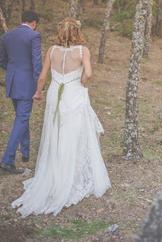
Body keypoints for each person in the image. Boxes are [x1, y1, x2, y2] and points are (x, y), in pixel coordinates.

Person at [12, 17, 111, 217]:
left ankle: (55, 171)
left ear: (61, 32)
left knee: (55, 132)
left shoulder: (52, 51)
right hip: (74, 95)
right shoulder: (83, 51)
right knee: (73, 134)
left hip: (55, 93)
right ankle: (70, 174)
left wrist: (38, 92)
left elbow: (42, 76)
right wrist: (81, 82)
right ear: (77, 32)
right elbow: (89, 74)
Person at [0, 10, 42, 174]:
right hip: (27, 84)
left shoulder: (7, 36)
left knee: (21, 118)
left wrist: (13, 72)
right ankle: (7, 161)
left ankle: (25, 152)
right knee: (22, 118)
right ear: (34, 23)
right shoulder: (34, 36)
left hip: (13, 83)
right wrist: (39, 87)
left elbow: (0, 61)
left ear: (22, 20)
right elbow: (37, 64)